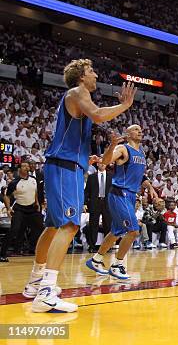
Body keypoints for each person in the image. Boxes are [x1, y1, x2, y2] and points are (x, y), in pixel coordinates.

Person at [28, 59, 136, 313]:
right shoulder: (78, 92)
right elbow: (98, 115)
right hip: (65, 167)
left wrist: (84, 156)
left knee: (54, 227)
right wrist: (124, 105)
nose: (95, 74)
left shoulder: (76, 97)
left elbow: (72, 133)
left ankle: (35, 282)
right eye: (91, 71)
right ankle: (45, 292)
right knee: (69, 225)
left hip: (65, 163)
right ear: (80, 77)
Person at [85, 126, 158, 280]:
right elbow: (105, 162)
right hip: (120, 193)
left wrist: (150, 187)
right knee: (133, 231)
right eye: (136, 129)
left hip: (130, 195)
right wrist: (112, 145)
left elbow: (141, 176)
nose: (140, 131)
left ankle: (96, 260)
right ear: (127, 134)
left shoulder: (141, 153)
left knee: (116, 231)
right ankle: (117, 265)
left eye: (141, 129)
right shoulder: (122, 149)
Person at [0, 162, 43, 262]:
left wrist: (37, 203)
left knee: (41, 228)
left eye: (27, 166)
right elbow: (6, 196)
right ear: (19, 169)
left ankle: (37, 250)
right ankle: (2, 254)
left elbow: (35, 191)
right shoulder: (14, 183)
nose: (26, 167)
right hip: (20, 209)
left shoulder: (34, 179)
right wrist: (8, 208)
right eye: (24, 166)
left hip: (32, 209)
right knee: (14, 230)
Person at [84, 162, 112, 252]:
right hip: (95, 202)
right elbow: (87, 191)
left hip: (107, 202)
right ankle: (92, 246)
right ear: (97, 165)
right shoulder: (92, 176)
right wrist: (84, 203)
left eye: (104, 163)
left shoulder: (111, 176)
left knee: (107, 225)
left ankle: (106, 247)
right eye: (100, 163)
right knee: (93, 224)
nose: (103, 164)